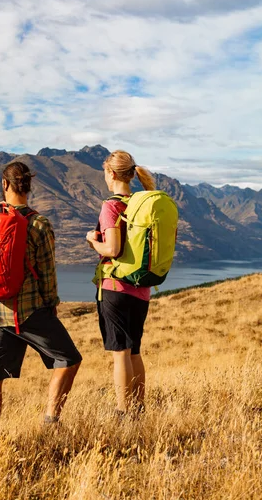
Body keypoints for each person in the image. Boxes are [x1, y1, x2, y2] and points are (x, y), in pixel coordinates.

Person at [0, 161, 82, 436]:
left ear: (4, 185)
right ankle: (51, 422)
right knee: (68, 359)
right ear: (28, 187)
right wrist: (51, 305)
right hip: (29, 312)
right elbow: (47, 273)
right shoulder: (39, 224)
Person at [86, 150, 155, 416]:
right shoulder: (140, 203)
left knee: (120, 352)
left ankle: (123, 413)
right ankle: (139, 409)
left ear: (111, 173)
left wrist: (93, 241)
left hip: (116, 288)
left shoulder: (112, 205)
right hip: (141, 289)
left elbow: (113, 249)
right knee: (134, 350)